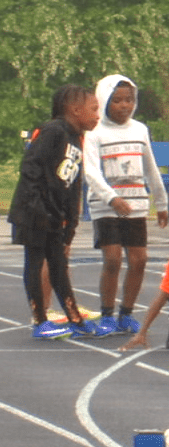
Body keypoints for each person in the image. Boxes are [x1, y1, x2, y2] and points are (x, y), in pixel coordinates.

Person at [11, 85, 106, 339]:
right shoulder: (54, 131)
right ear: (75, 110)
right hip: (33, 212)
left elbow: (73, 183)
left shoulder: (77, 138)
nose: (98, 115)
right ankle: (40, 321)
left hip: (55, 214)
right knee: (35, 262)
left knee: (59, 266)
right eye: (94, 109)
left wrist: (71, 223)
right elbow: (30, 168)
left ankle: (75, 319)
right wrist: (37, 207)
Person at [82, 75, 169, 337]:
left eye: (129, 100)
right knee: (112, 259)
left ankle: (127, 313)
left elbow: (150, 167)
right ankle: (107, 313)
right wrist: (111, 198)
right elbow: (91, 172)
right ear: (104, 100)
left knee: (139, 260)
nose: (124, 106)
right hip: (105, 206)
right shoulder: (94, 132)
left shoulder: (140, 129)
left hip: (136, 205)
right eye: (117, 100)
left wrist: (161, 201)